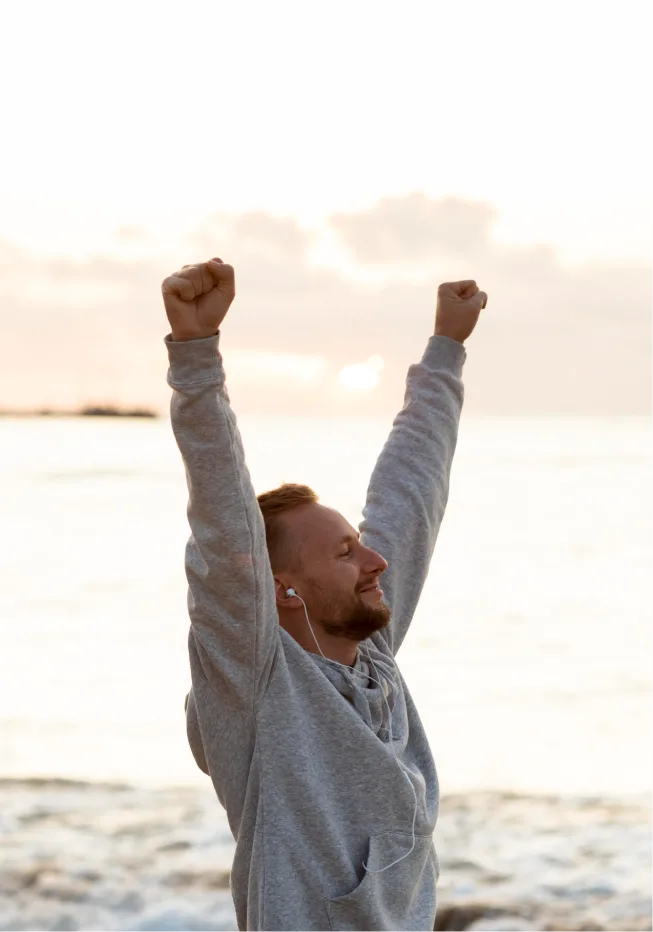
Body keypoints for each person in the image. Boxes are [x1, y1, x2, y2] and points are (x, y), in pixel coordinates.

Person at [162, 258, 487, 932]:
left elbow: (410, 495)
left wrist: (445, 351)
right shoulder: (255, 688)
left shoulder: (369, 652)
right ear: (278, 589)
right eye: (344, 553)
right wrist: (196, 358)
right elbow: (222, 527)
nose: (373, 560)